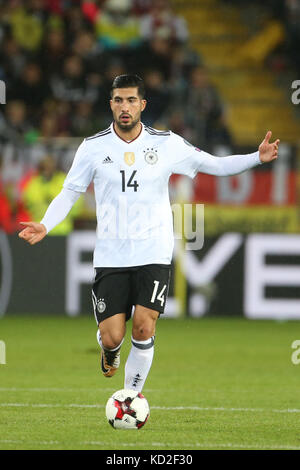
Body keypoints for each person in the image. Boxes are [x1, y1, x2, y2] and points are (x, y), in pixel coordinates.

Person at [18, 74, 280, 392]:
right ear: (111, 104)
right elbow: (69, 192)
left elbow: (215, 165)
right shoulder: (92, 148)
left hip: (153, 251)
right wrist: (46, 223)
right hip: (111, 255)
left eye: (131, 100)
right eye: (118, 100)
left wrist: (257, 157)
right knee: (113, 335)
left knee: (144, 327)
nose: (124, 107)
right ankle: (109, 349)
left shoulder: (166, 144)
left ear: (142, 104)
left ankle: (130, 396)